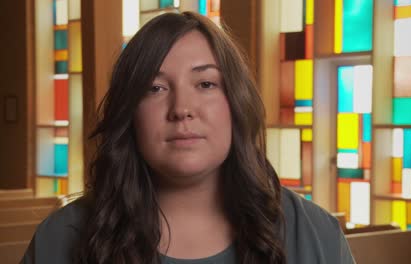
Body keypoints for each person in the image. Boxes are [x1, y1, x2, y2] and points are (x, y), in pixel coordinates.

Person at [22, 11, 355, 264]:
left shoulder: (315, 235)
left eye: (206, 84)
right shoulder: (60, 239)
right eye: (155, 88)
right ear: (129, 113)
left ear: (236, 104)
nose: (181, 109)